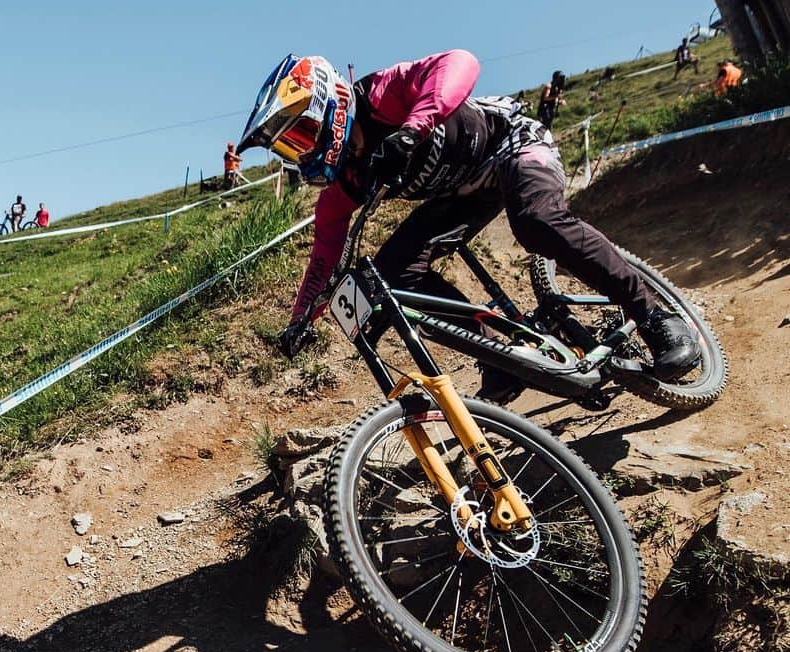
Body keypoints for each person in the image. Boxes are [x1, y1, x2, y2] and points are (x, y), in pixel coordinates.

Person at [235, 52, 700, 399]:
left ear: (328, 104)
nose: (301, 151)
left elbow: (460, 63)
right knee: (394, 275)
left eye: (300, 133)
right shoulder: (348, 179)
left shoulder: (381, 96)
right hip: (463, 194)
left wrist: (415, 126)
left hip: (514, 146)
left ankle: (654, 316)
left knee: (535, 220)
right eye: (289, 146)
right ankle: (502, 358)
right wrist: (300, 322)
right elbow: (322, 261)